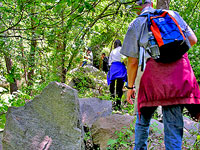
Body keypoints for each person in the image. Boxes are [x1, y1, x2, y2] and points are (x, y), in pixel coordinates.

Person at [120, 0, 200, 149]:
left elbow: (132, 61)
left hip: (153, 77)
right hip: (179, 76)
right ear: (151, 3)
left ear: (137, 7)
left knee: (142, 119)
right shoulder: (172, 14)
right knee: (173, 126)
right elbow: (193, 40)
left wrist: (130, 87)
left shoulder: (137, 23)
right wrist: (173, 54)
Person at [107, 39, 127, 110]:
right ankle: (118, 104)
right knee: (119, 87)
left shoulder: (113, 51)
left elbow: (109, 62)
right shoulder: (123, 50)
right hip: (121, 68)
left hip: (113, 68)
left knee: (112, 86)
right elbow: (125, 60)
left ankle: (111, 101)